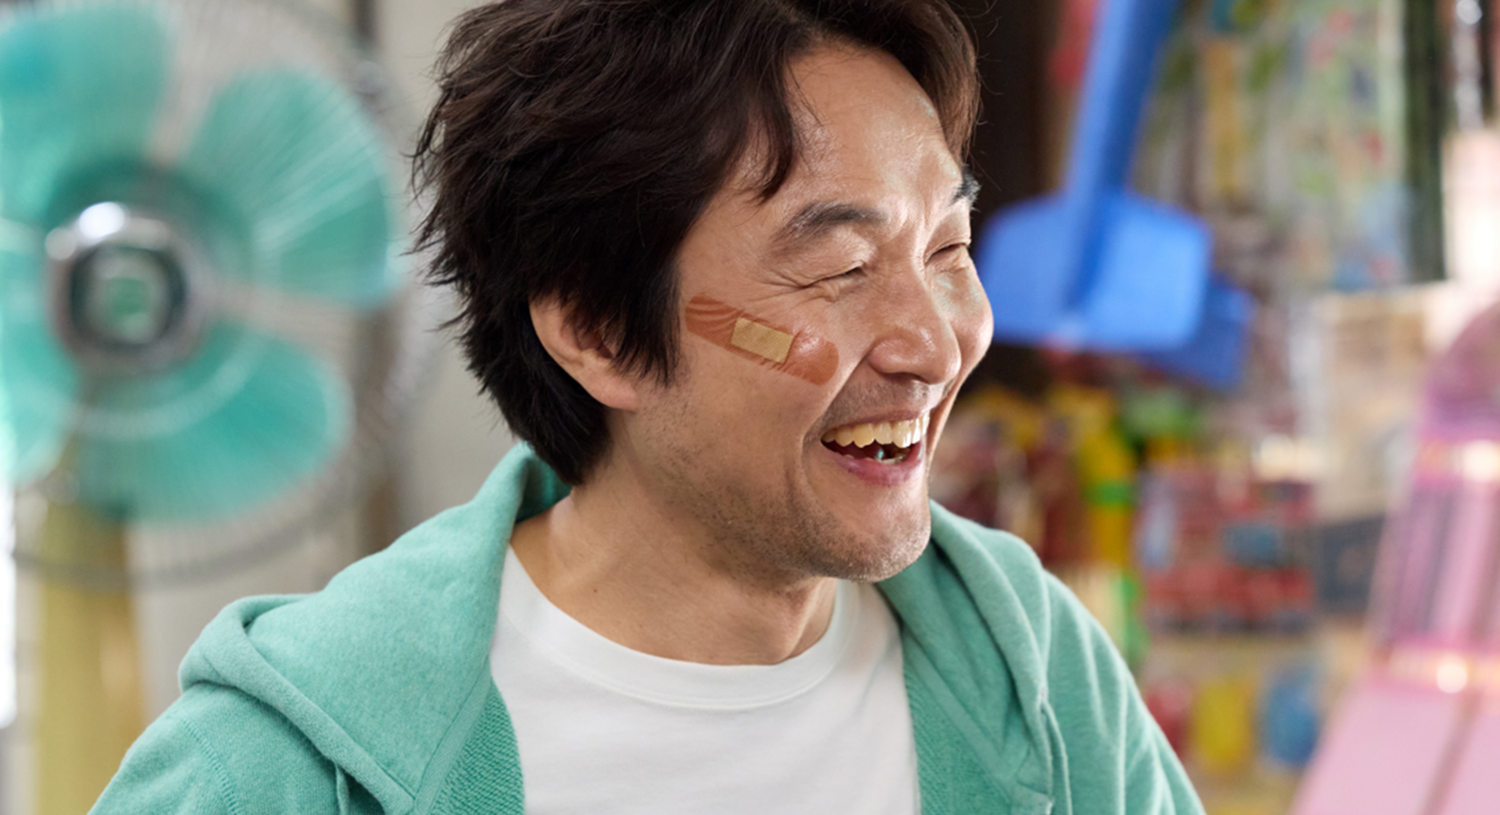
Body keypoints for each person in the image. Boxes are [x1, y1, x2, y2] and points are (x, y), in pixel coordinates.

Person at [94, 1, 1204, 812]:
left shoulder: (1032, 674)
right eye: (841, 267)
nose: (934, 342)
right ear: (596, 329)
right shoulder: (281, 768)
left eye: (948, 249)